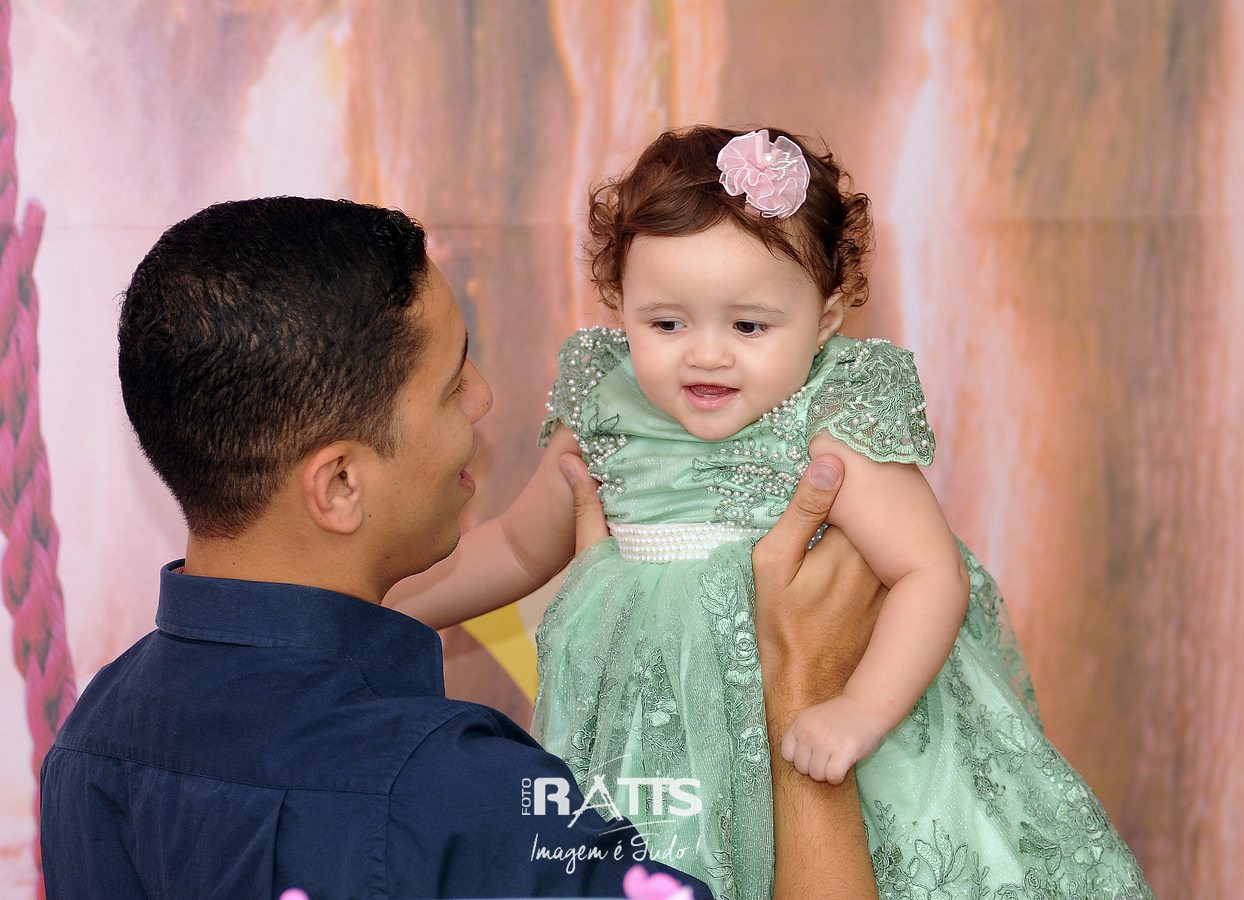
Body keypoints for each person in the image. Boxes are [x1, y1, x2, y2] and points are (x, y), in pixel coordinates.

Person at [39, 197, 881, 899]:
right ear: (339, 485)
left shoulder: (88, 746)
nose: (483, 400)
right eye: (452, 385)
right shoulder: (460, 798)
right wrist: (802, 682)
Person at [390, 127, 1155, 899]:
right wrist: (377, 608)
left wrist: (859, 710)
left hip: (806, 728)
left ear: (825, 320)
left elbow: (929, 574)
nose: (707, 354)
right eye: (666, 323)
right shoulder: (606, 408)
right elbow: (517, 549)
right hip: (651, 735)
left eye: (749, 326)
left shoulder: (830, 420)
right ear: (619, 304)